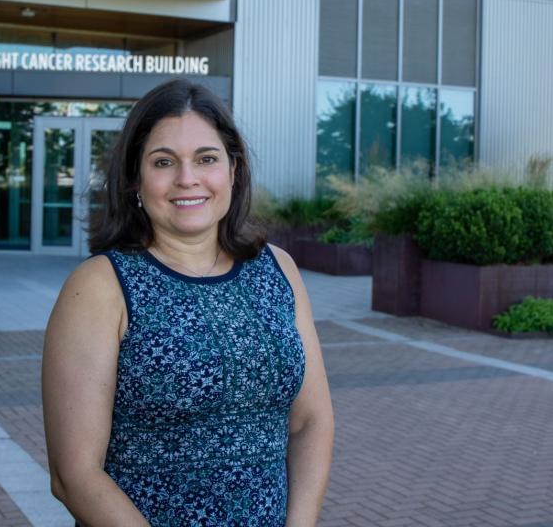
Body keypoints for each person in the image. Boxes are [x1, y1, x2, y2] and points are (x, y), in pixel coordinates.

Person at [42, 79, 334, 526]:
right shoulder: (99, 288)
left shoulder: (279, 271)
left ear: (233, 171)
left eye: (206, 158)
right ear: (135, 179)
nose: (187, 178)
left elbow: (310, 421)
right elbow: (74, 474)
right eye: (163, 162)